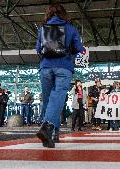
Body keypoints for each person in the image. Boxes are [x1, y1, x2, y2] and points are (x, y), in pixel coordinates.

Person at [36, 3, 85, 148]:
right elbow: (79, 48)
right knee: (57, 98)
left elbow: (38, 49)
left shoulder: (42, 29)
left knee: (48, 100)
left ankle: (53, 133)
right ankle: (48, 128)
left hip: (45, 67)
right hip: (64, 67)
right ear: (64, 13)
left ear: (49, 13)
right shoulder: (70, 28)